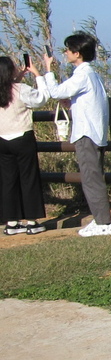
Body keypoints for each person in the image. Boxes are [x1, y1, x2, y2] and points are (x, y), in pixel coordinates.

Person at [41, 33, 111, 237]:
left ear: (77, 53)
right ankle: (101, 220)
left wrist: (48, 69)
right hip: (93, 132)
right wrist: (71, 102)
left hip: (87, 134)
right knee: (92, 176)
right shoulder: (91, 74)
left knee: (91, 178)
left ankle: (104, 223)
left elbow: (55, 92)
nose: (65, 53)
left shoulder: (83, 74)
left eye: (67, 50)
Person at [0, 55, 49, 235]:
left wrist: (18, 77)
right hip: (22, 138)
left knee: (8, 181)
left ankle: (11, 222)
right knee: (29, 179)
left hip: (2, 140)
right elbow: (41, 98)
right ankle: (32, 221)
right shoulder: (20, 89)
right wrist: (37, 75)